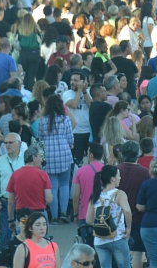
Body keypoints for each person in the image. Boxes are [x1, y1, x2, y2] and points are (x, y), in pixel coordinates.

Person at [86, 165, 132, 268]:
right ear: (112, 178)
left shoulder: (95, 195)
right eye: (118, 176)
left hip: (99, 240)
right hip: (117, 237)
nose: (120, 178)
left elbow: (88, 220)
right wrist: (128, 228)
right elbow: (127, 211)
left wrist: (102, 226)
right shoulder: (119, 194)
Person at [39, 94, 75, 224]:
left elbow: (40, 138)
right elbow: (71, 139)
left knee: (52, 186)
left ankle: (54, 216)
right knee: (65, 184)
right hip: (64, 154)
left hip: (49, 155)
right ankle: (64, 213)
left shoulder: (43, 121)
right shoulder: (65, 120)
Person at [0, 133, 26, 246]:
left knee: (24, 232)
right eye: (6, 143)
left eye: (10, 142)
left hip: (23, 203)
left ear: (19, 143)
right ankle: (3, 261)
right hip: (6, 203)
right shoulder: (0, 161)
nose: (7, 145)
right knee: (6, 233)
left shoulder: (26, 160)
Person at [7, 147, 53, 221]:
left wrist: (11, 219)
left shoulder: (15, 175)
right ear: (34, 157)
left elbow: (10, 201)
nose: (42, 160)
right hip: (39, 213)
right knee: (40, 231)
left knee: (23, 231)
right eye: (40, 156)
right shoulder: (43, 174)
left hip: (22, 215)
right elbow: (49, 199)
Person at [62, 71, 92, 164]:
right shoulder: (67, 94)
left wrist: (84, 91)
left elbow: (92, 106)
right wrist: (79, 90)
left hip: (88, 131)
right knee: (77, 160)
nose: (72, 82)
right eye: (71, 80)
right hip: (75, 131)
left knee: (90, 159)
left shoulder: (88, 92)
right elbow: (74, 105)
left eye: (75, 80)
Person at [72, 143, 105, 228]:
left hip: (85, 214)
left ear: (91, 155)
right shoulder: (107, 170)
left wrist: (75, 214)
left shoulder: (81, 171)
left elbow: (76, 196)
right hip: (104, 213)